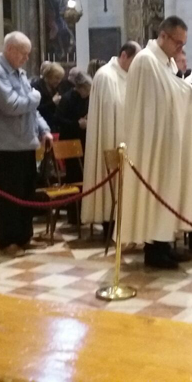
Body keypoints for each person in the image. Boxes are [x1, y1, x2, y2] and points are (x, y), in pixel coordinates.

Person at [121, 16, 192, 269]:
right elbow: (163, 96)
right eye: (178, 43)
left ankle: (164, 243)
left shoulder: (164, 61)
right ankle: (154, 250)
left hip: (165, 141)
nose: (181, 48)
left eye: (183, 44)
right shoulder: (147, 60)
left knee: (168, 193)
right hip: (151, 143)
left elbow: (171, 91)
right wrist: (189, 91)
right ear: (164, 36)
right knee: (157, 192)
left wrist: (184, 90)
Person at [0, 31, 53, 257]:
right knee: (9, 196)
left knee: (25, 193)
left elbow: (31, 108)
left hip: (25, 144)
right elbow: (11, 105)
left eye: (28, 54)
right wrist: (35, 96)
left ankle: (24, 237)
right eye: (23, 53)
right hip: (6, 146)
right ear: (10, 50)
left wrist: (44, 129)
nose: (26, 58)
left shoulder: (19, 73)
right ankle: (9, 241)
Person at [81, 41, 141, 240]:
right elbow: (109, 114)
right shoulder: (106, 76)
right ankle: (109, 221)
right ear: (124, 55)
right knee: (111, 185)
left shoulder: (129, 76)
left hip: (126, 139)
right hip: (111, 138)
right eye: (134, 60)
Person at [55, 71, 92, 225]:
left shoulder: (88, 98)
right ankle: (74, 215)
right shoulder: (67, 99)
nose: (88, 93)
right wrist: (78, 124)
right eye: (86, 90)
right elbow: (59, 120)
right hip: (70, 141)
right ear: (80, 87)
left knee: (86, 179)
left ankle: (86, 212)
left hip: (85, 142)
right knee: (74, 178)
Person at [32, 62, 64, 132]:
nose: (59, 81)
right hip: (40, 126)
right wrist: (52, 103)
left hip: (53, 125)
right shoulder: (36, 87)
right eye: (56, 78)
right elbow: (35, 109)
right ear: (48, 76)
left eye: (60, 79)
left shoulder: (56, 87)